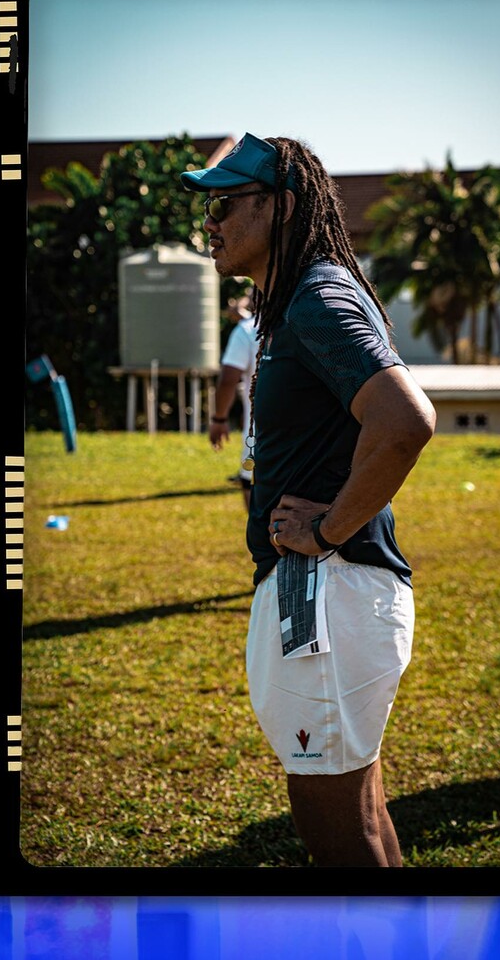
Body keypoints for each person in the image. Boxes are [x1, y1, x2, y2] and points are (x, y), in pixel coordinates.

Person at [181, 132, 436, 867]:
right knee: (360, 814)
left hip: (324, 591)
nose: (212, 221)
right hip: (330, 592)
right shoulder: (300, 293)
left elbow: (405, 422)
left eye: (227, 202)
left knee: (337, 833)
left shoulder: (318, 295)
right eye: (209, 205)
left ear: (284, 205)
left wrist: (328, 526)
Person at [209, 296, 260, 512]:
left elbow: (229, 378)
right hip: (311, 438)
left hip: (260, 435)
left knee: (252, 490)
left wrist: (219, 418)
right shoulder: (304, 323)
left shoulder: (248, 330)